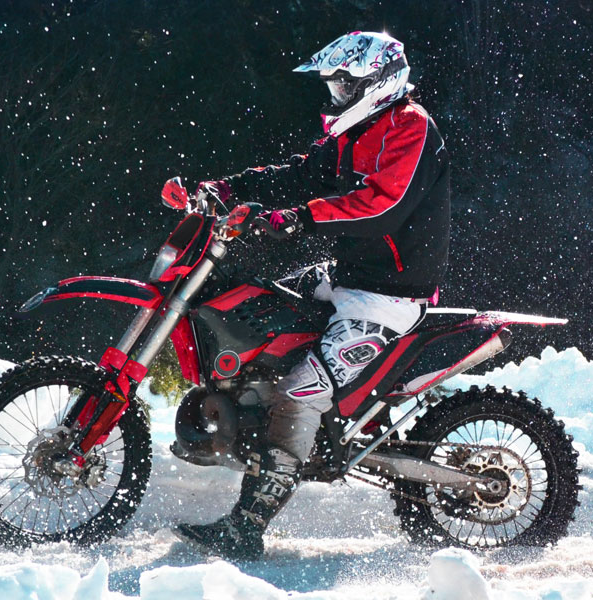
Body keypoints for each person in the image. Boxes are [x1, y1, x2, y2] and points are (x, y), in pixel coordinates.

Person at [171, 31, 450, 560]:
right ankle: (250, 418)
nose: (335, 95)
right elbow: (300, 173)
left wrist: (298, 219)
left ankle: (247, 526)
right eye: (333, 84)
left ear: (376, 82)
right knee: (257, 313)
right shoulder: (357, 131)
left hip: (387, 295)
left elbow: (382, 207)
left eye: (343, 84)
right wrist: (228, 188)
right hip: (346, 276)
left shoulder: (411, 129)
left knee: (300, 388)